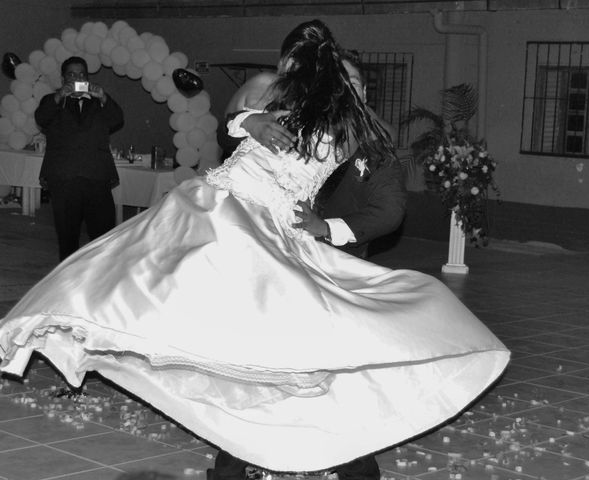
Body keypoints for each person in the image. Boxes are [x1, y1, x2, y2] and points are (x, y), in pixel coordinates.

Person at [0, 19, 509, 475]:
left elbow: (387, 199)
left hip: (282, 225)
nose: (298, 70)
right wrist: (253, 122)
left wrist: (327, 226)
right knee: (153, 279)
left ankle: (305, 437)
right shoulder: (268, 86)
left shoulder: (356, 126)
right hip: (224, 201)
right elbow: (226, 124)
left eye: (321, 67)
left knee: (277, 320)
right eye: (295, 60)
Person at [210, 51, 405, 480]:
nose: (344, 88)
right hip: (277, 260)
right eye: (338, 81)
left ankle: (354, 466)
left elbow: (390, 212)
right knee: (265, 359)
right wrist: (251, 123)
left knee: (330, 371)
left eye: (353, 81)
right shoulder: (300, 119)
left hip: (336, 268)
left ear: (365, 91)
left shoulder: (376, 141)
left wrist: (326, 227)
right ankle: (234, 462)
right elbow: (232, 142)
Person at [35, 56, 124, 261]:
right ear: (63, 78)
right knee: (67, 235)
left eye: (82, 74)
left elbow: (117, 119)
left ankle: (101, 278)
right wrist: (59, 96)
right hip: (64, 178)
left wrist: (103, 97)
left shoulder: (99, 102)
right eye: (72, 74)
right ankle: (67, 279)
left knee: (103, 234)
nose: (77, 77)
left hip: (97, 176)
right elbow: (42, 118)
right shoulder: (52, 101)